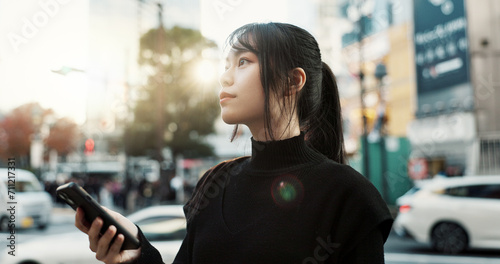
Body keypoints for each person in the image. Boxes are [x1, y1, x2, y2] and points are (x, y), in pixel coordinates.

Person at [74, 22, 393, 264]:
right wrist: (136, 250)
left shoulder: (349, 196)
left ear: (292, 81)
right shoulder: (214, 182)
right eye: (226, 65)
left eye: (243, 62)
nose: (225, 77)